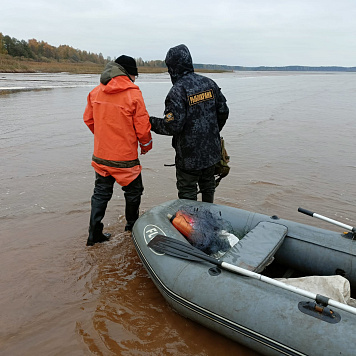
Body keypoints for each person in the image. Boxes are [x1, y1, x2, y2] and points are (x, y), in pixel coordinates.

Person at [83, 55, 152, 246]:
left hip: (101, 156)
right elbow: (143, 127)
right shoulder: (134, 94)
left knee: (101, 193)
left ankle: (94, 234)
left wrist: (104, 137)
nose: (135, 79)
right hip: (125, 159)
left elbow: (88, 119)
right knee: (134, 192)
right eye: (135, 75)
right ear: (128, 73)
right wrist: (146, 146)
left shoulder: (95, 92)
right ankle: (132, 229)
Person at [149, 44, 229, 203]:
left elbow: (172, 126)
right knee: (208, 187)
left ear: (172, 67)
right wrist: (211, 133)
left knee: (187, 196)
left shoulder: (177, 91)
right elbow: (224, 112)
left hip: (189, 158)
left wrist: (148, 121)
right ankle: (208, 221)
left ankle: (190, 226)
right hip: (212, 153)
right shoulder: (210, 83)